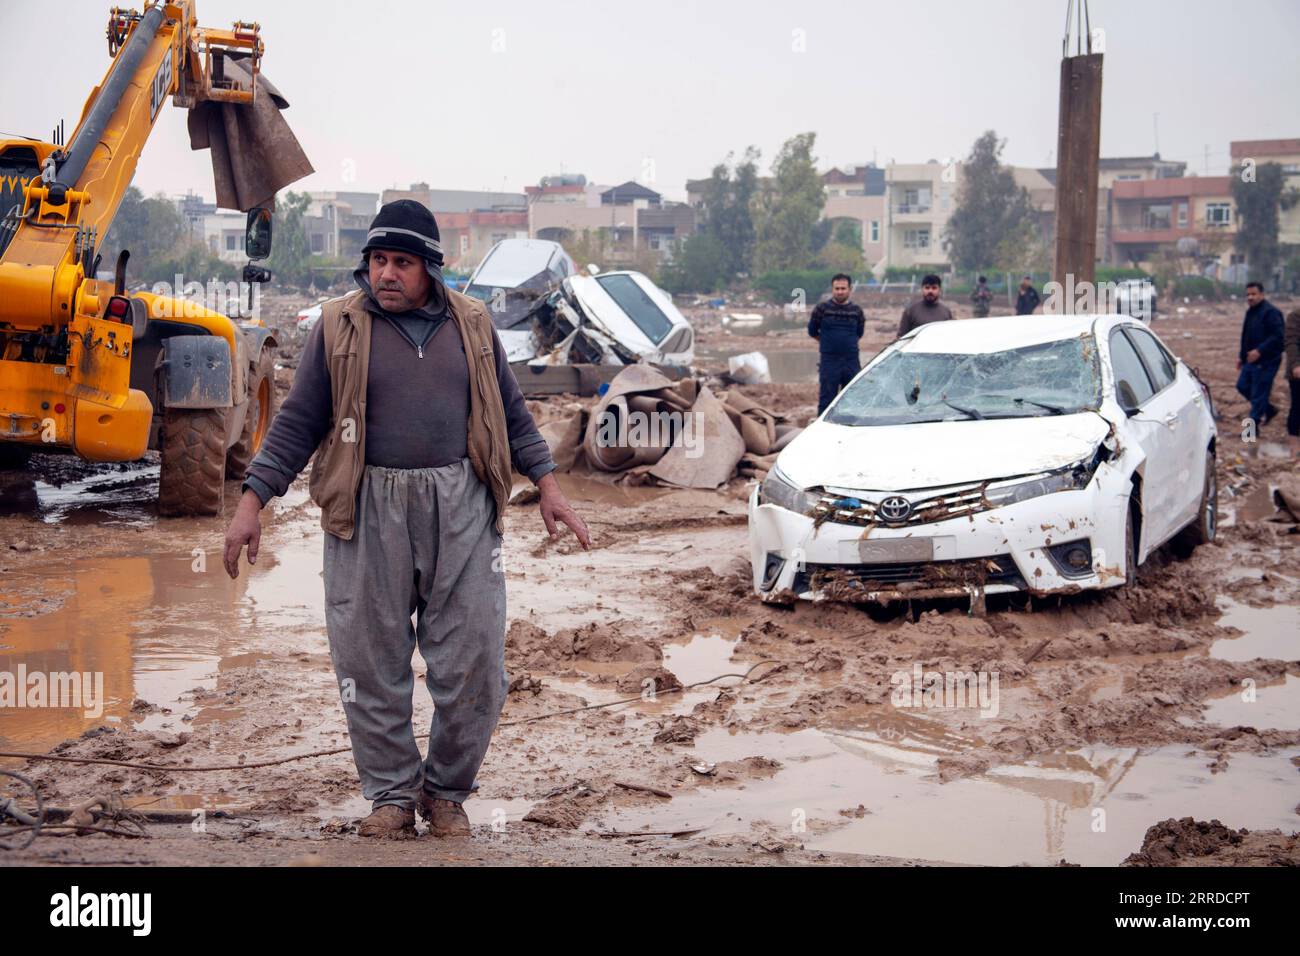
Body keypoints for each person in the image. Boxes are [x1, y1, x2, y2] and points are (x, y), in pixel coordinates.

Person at [222, 200, 590, 840]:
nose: (387, 274)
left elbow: (510, 413)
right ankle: (391, 794)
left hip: (463, 506)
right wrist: (252, 503)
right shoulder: (338, 326)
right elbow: (298, 423)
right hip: (366, 507)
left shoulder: (472, 324)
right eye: (378, 260)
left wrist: (549, 486)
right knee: (368, 660)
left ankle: (447, 792)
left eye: (402, 262)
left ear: (430, 268)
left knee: (477, 658)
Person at [808, 273, 866, 414]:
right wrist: (828, 343)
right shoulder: (821, 309)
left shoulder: (857, 311)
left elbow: (859, 333)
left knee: (852, 398)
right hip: (829, 361)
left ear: (849, 289)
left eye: (843, 288)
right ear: (832, 289)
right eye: (837, 288)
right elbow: (812, 331)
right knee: (826, 400)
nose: (840, 292)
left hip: (851, 361)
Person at [1236, 281, 1285, 434]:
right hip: (1250, 360)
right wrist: (1241, 356)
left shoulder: (1271, 313)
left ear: (1262, 295)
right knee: (1242, 386)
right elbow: (1246, 336)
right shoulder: (1250, 312)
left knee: (1258, 395)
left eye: (1253, 294)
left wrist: (1260, 351)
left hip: (1267, 361)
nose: (1250, 297)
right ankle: (1269, 409)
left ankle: (1250, 433)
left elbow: (1279, 337)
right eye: (1248, 295)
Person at [897, 273, 953, 338]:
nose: (930, 291)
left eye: (934, 288)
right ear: (922, 289)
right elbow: (901, 338)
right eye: (927, 287)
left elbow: (949, 337)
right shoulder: (911, 311)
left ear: (939, 290)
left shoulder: (946, 312)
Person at [1287, 308, 1300, 456]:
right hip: (1297, 373)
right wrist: (1296, 365)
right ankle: (1294, 446)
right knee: (1297, 406)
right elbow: (1291, 342)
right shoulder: (1295, 315)